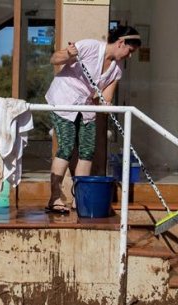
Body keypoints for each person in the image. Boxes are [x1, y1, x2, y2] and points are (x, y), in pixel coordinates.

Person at [44, 25, 141, 214]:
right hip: (64, 99)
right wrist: (68, 55)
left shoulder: (117, 69)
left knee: (87, 150)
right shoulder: (89, 47)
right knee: (66, 146)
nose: (130, 56)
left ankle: (80, 198)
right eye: (130, 51)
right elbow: (54, 58)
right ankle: (54, 197)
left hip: (87, 105)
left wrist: (108, 105)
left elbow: (105, 98)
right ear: (121, 43)